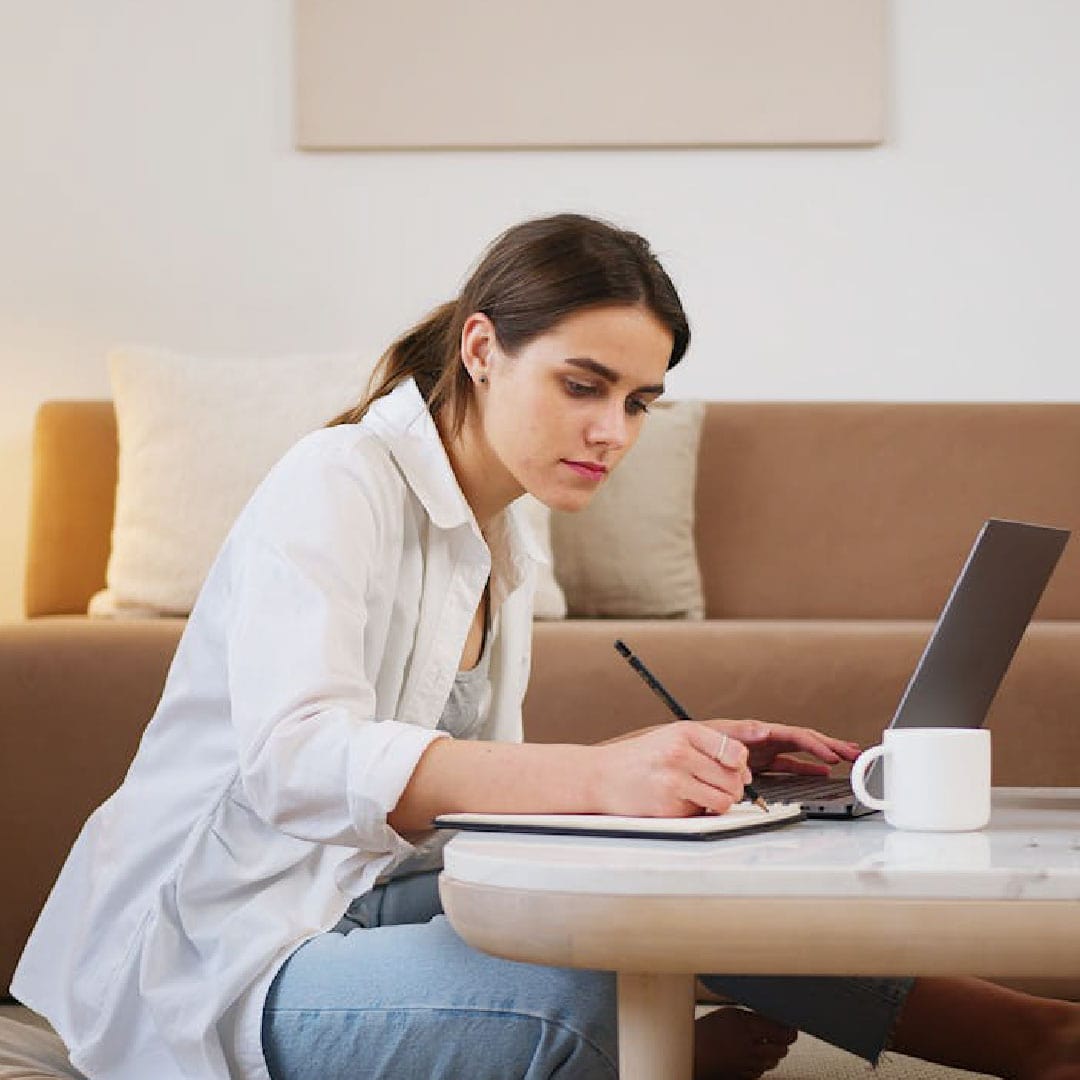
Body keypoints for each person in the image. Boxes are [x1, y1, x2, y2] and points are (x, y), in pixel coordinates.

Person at [12, 213, 1079, 1080]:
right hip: (221, 949)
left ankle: (1037, 1041)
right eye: (584, 386)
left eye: (640, 401)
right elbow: (295, 760)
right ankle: (643, 1061)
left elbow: (465, 808)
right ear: (482, 349)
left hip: (359, 892)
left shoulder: (498, 533)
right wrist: (599, 777)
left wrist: (680, 780)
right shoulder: (335, 480)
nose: (614, 430)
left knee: (690, 887)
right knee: (580, 988)